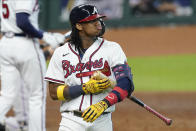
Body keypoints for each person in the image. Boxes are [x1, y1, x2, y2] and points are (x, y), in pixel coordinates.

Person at [45, 4, 134, 131]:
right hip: (71, 121)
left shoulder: (112, 48)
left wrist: (103, 104)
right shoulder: (61, 53)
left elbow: (126, 84)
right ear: (79, 26)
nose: (98, 23)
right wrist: (84, 88)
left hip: (102, 120)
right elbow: (54, 93)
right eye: (92, 21)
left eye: (98, 19)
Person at [0, 0, 65, 131]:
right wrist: (45, 36)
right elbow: (22, 21)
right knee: (37, 97)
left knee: (7, 94)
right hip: (25, 43)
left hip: (5, 43)